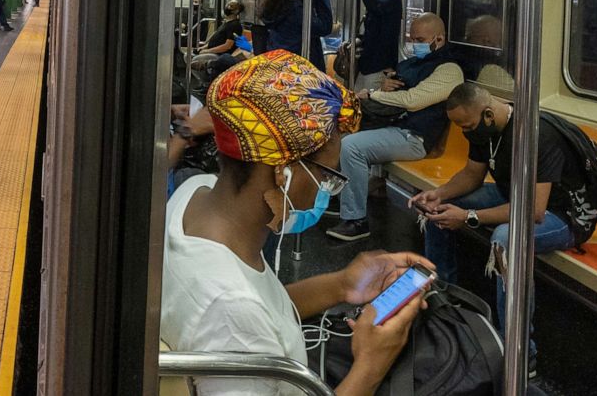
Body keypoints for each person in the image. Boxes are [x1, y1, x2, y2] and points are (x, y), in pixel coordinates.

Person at [161, 50, 434, 395]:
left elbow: (261, 313)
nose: (327, 189)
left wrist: (341, 285)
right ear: (282, 172)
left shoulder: (194, 194)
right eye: (326, 173)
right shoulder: (231, 310)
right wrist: (371, 365)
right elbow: (241, 315)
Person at [410, 83, 587, 373]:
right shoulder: (483, 128)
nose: (465, 131)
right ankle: (447, 300)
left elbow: (534, 211)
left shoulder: (538, 135)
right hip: (511, 194)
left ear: (489, 114)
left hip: (564, 216)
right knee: (439, 212)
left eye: (466, 125)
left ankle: (518, 349)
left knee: (506, 239)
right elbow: (471, 175)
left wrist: (469, 216)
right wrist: (439, 194)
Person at [328, 13, 464, 241]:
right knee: (338, 129)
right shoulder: (413, 63)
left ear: (439, 40)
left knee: (352, 146)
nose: (415, 45)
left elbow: (413, 100)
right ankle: (341, 199)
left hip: (415, 138)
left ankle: (356, 220)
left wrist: (375, 93)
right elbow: (398, 88)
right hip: (394, 126)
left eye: (420, 40)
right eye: (412, 39)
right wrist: (386, 85)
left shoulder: (449, 70)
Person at [262, 0, 333, 71]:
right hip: (298, 65)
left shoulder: (278, 7)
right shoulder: (296, 10)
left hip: (278, 61)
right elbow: (325, 27)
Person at [351, 0, 402, 90]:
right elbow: (374, 33)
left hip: (379, 68)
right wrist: (356, 41)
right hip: (367, 66)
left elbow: (374, 5)